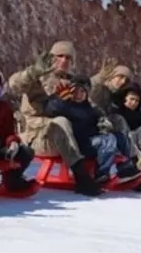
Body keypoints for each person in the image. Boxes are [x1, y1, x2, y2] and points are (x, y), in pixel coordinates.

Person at [6, 41, 105, 196]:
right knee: (61, 122)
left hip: (70, 138)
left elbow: (89, 105)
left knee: (106, 126)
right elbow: (14, 84)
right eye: (60, 56)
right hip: (38, 138)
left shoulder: (73, 82)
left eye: (68, 58)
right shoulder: (38, 78)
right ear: (51, 58)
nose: (64, 60)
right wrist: (33, 72)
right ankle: (81, 176)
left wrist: (102, 119)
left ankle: (121, 169)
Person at [44, 77, 141, 189]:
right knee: (108, 139)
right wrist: (60, 99)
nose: (79, 94)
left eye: (82, 91)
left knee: (120, 137)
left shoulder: (89, 107)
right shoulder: (66, 105)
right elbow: (50, 110)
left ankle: (126, 168)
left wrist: (103, 125)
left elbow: (99, 120)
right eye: (76, 91)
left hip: (91, 141)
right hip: (77, 145)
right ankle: (102, 173)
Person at [90, 58, 141, 184]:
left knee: (139, 131)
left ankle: (137, 172)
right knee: (119, 123)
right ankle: (140, 164)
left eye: (126, 80)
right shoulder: (102, 89)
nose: (122, 81)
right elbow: (92, 89)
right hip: (96, 129)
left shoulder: (118, 97)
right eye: (120, 77)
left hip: (114, 132)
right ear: (111, 77)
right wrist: (101, 76)